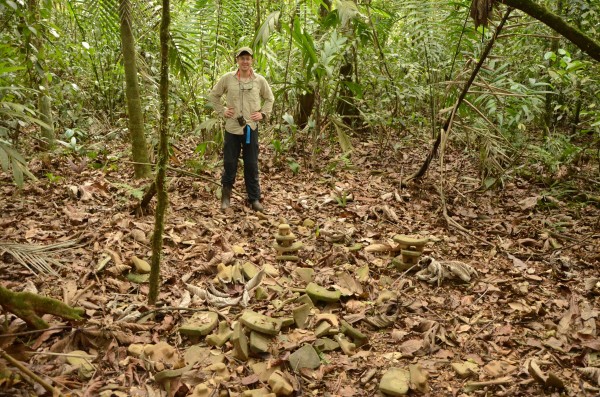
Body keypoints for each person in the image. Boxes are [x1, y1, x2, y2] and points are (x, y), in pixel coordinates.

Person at [208, 46, 274, 212]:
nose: (245, 61)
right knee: (230, 163)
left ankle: (254, 199)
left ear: (252, 61)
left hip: (250, 129)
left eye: (248, 58)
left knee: (251, 164)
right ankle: (225, 199)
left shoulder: (259, 80)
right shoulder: (227, 79)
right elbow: (213, 96)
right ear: (237, 60)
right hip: (232, 128)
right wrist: (222, 110)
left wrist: (263, 114)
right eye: (242, 58)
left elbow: (269, 98)